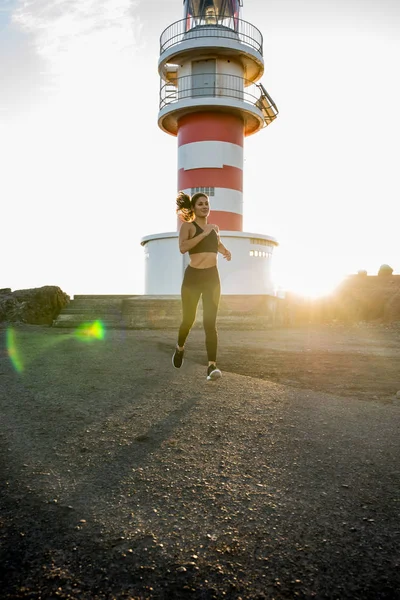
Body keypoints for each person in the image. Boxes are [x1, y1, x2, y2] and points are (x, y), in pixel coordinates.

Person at [172, 191, 232, 380]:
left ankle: (211, 367)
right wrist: (204, 233)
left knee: (210, 322)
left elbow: (216, 244)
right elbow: (183, 248)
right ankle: (180, 348)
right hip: (193, 278)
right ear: (193, 208)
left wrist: (225, 251)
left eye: (207, 203)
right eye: (200, 204)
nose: (205, 206)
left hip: (212, 278)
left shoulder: (215, 228)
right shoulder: (187, 226)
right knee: (188, 320)